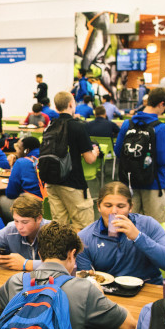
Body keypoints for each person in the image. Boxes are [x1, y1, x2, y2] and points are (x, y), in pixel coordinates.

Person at [0, 221, 135, 329]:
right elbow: (129, 325)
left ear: (40, 254)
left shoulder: (14, 282)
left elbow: (2, 303)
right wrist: (99, 294)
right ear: (71, 254)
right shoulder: (84, 289)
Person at [76, 182, 165, 285]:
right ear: (99, 207)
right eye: (108, 206)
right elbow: (85, 282)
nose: (114, 211)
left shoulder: (148, 224)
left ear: (130, 207)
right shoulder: (84, 237)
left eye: (121, 206)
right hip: (109, 293)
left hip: (149, 288)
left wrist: (138, 237)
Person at [115, 87, 165, 223]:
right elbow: (164, 159)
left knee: (128, 224)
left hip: (129, 182)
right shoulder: (161, 127)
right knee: (153, 227)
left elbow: (118, 152)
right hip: (153, 182)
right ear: (161, 104)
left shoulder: (127, 124)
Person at [43, 91, 100, 228]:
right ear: (70, 104)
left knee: (59, 226)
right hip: (72, 182)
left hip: (51, 182)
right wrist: (95, 152)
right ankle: (80, 250)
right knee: (82, 225)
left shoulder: (50, 126)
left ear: (56, 107)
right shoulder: (78, 126)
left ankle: (60, 250)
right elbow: (89, 159)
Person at [0, 193, 48, 271]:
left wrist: (26, 264)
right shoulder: (11, 229)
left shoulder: (53, 231)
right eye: (16, 221)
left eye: (25, 222)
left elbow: (60, 264)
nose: (19, 227)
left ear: (39, 218)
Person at [1, 136, 43, 213]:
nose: (17, 152)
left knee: (0, 200)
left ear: (26, 150)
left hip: (31, 208)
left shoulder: (21, 162)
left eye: (19, 149)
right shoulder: (45, 158)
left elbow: (11, 193)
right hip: (50, 206)